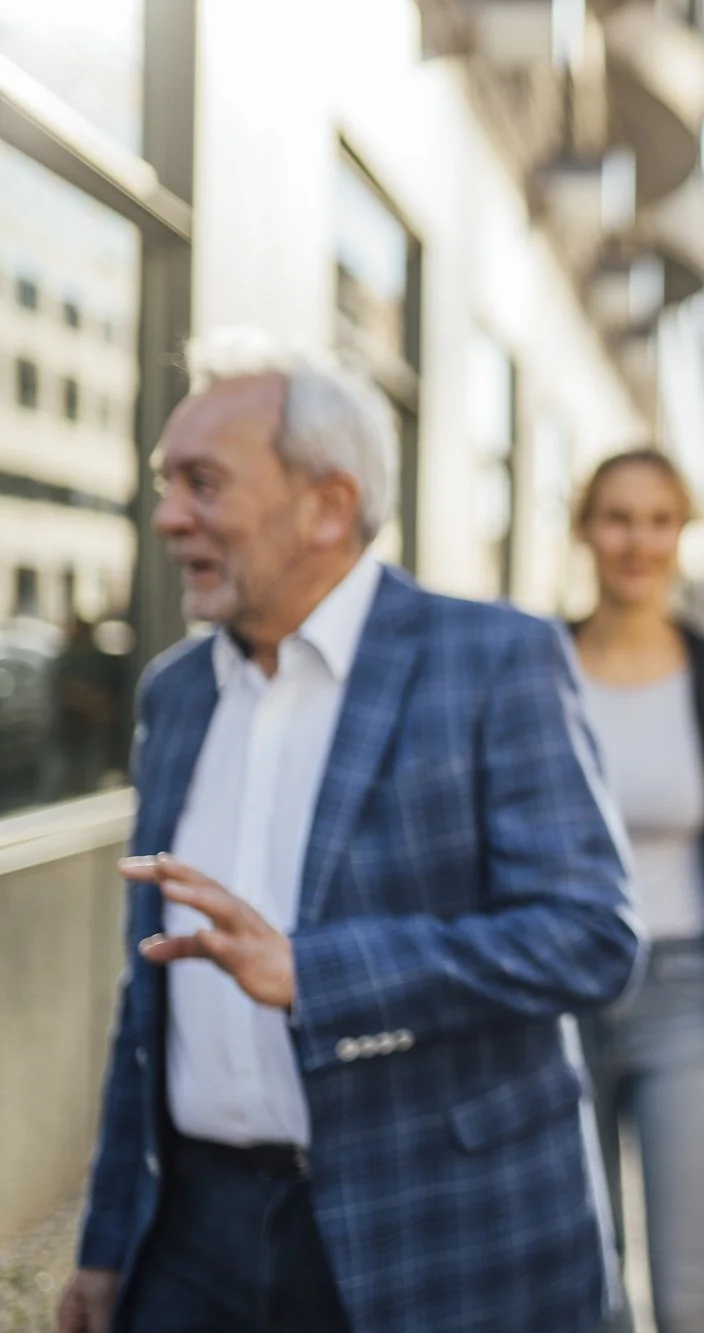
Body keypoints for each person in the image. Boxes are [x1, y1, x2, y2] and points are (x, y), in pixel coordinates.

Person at [56, 329, 642, 1333]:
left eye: (202, 483)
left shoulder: (492, 660)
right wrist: (108, 1244)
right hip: (193, 1235)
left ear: (327, 504)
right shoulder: (177, 693)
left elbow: (591, 937)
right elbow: (144, 1002)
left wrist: (317, 973)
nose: (166, 517)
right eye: (166, 483)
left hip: (429, 1231)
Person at [568, 449, 704, 1333]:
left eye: (659, 520)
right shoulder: (536, 664)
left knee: (687, 1301)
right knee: (591, 1293)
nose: (638, 540)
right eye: (618, 517)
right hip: (560, 999)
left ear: (681, 535)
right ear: (586, 528)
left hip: (691, 997)